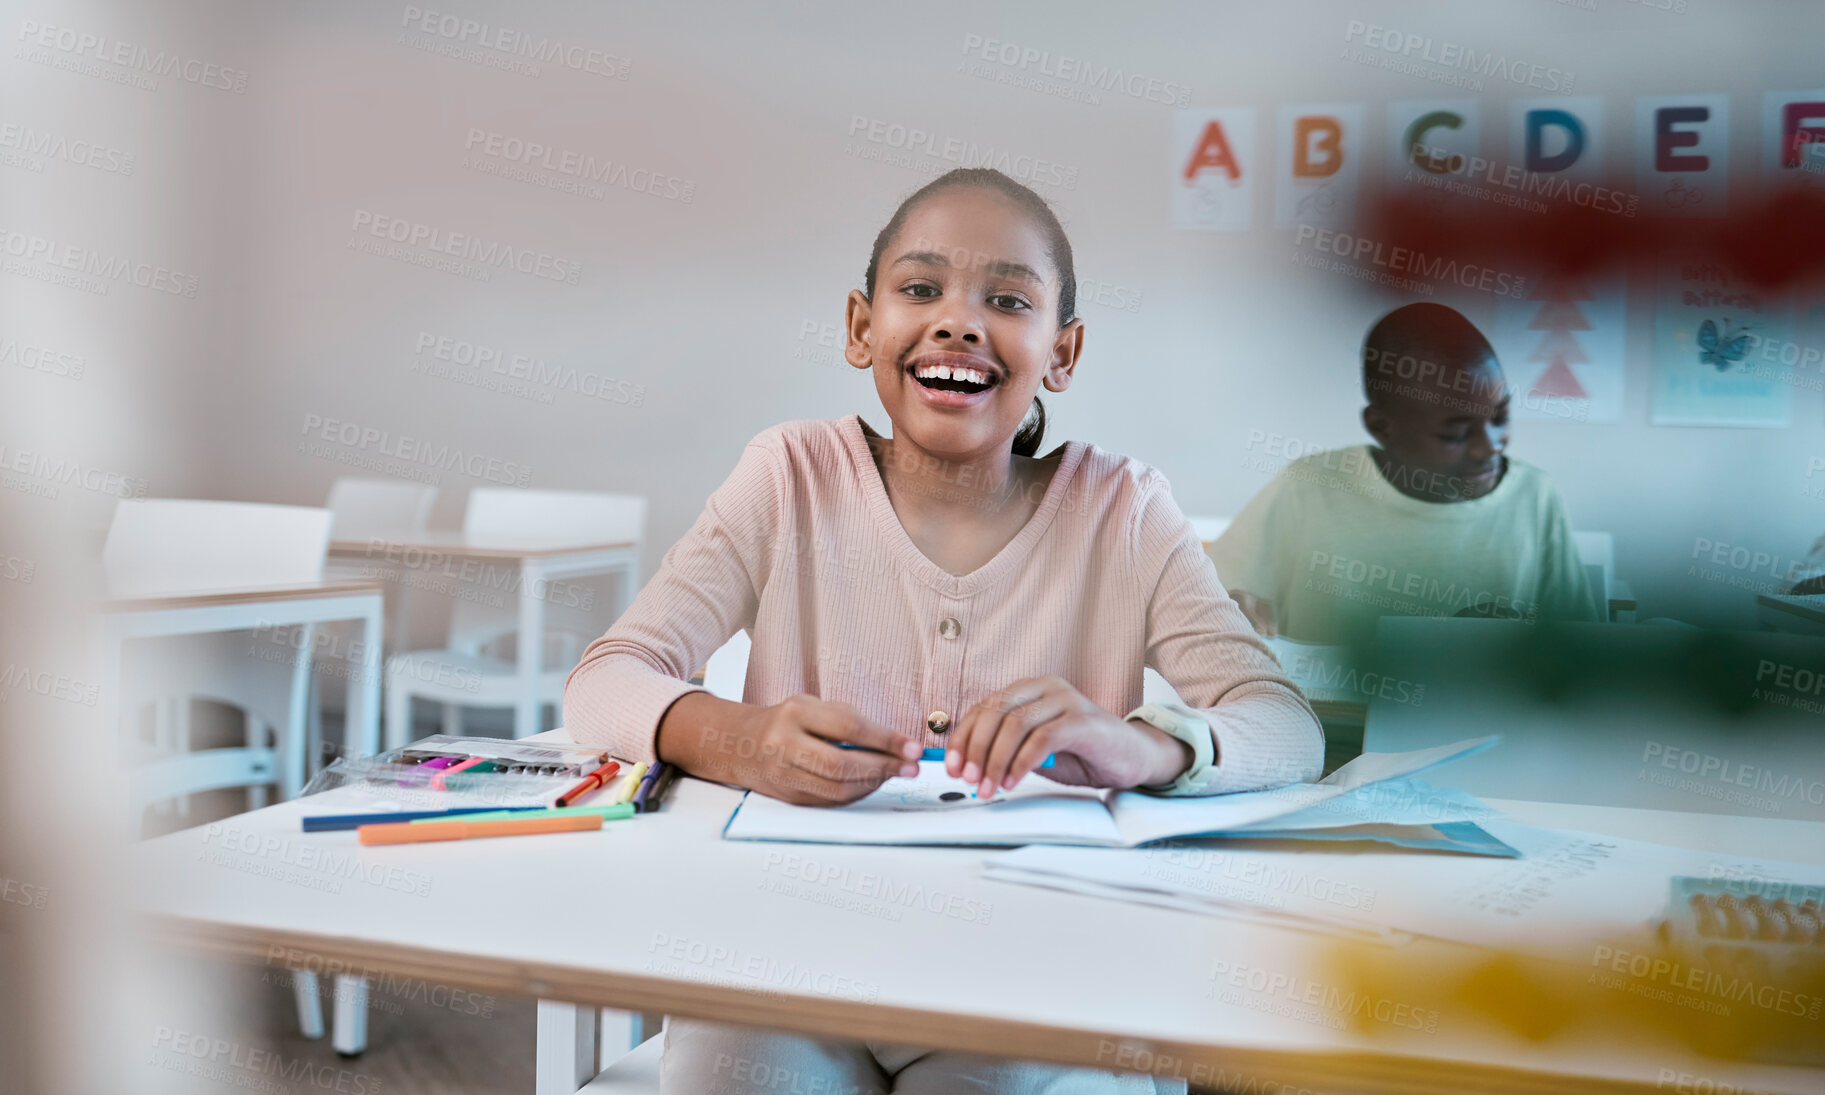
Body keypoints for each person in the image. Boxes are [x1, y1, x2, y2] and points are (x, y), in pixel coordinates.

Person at [564, 168, 1321, 1093]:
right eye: (920, 289)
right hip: (783, 956)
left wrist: (1140, 747)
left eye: (1007, 299)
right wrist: (743, 739)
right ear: (860, 327)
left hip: (1033, 972)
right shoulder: (788, 475)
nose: (959, 321)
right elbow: (605, 679)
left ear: (1063, 353)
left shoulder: (1123, 510)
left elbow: (1285, 726)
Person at [1210, 302, 1595, 650]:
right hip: (1324, 724)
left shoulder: (1535, 498)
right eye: (1456, 434)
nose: (1490, 446)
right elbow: (1213, 602)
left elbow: (1580, 648)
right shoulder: (1310, 487)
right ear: (1381, 427)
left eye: (1500, 417)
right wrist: (1234, 607)